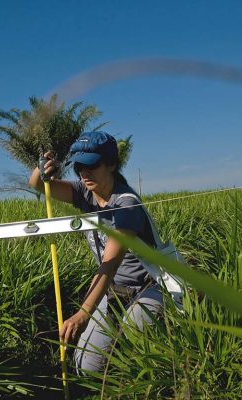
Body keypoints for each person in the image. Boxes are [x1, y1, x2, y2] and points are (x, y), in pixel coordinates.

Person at [28, 131, 182, 374]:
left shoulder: (127, 204)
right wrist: (42, 168)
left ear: (111, 165)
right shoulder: (84, 193)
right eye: (79, 166)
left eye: (91, 165)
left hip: (149, 285)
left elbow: (110, 263)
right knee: (86, 367)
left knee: (135, 333)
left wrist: (83, 313)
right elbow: (37, 184)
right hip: (113, 290)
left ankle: (161, 365)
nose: (84, 173)